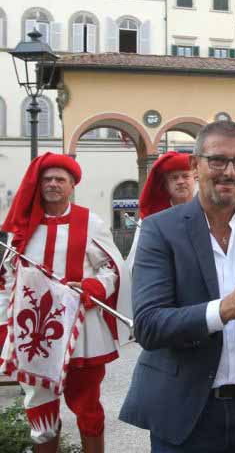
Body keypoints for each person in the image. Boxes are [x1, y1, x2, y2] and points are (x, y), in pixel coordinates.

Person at [120, 120, 235, 452]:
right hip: (183, 411)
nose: (229, 172)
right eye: (217, 160)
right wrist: (221, 311)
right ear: (195, 166)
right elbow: (147, 326)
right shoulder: (160, 230)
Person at [0, 153, 132, 453]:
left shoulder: (91, 222)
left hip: (82, 330)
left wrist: (94, 286)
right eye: (47, 179)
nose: (53, 184)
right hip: (33, 335)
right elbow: (7, 279)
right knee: (39, 411)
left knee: (88, 408)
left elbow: (112, 266)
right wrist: (4, 327)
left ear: (72, 185)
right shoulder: (22, 227)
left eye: (60, 179)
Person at [126, 151, 196, 270]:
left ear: (195, 179)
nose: (180, 181)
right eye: (174, 178)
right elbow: (137, 264)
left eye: (185, 176)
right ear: (166, 185)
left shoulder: (208, 214)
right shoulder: (152, 220)